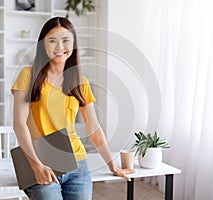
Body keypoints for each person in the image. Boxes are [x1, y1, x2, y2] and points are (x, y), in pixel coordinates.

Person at [11, 17, 135, 200]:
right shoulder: (28, 76)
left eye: (65, 40)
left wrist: (112, 165)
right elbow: (19, 125)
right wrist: (36, 166)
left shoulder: (80, 82)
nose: (59, 46)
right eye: (52, 40)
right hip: (41, 163)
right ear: (42, 45)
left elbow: (93, 128)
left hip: (78, 165)